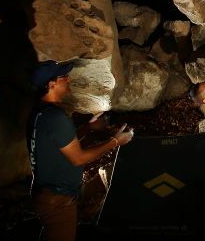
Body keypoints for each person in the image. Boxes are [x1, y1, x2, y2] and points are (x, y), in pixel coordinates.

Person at [27, 60, 134, 241]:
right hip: (58, 200)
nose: (68, 79)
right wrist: (115, 141)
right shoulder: (56, 117)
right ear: (51, 84)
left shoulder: (41, 112)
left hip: (45, 194)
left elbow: (60, 143)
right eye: (63, 76)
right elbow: (78, 158)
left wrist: (87, 129)